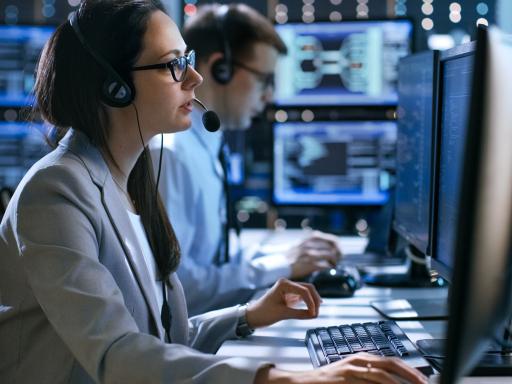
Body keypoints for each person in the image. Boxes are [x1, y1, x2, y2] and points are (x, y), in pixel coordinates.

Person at [0, 1, 427, 383]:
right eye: (173, 64)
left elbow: (162, 337)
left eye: (187, 58)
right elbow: (117, 355)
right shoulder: (55, 190)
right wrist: (283, 379)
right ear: (116, 86)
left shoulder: (133, 176)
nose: (195, 76)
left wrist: (246, 317)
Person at [150, 3, 343, 316]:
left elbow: (216, 257)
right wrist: (284, 264)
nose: (269, 97)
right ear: (220, 69)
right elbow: (178, 289)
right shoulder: (170, 156)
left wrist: (289, 255)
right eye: (264, 80)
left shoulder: (207, 145)